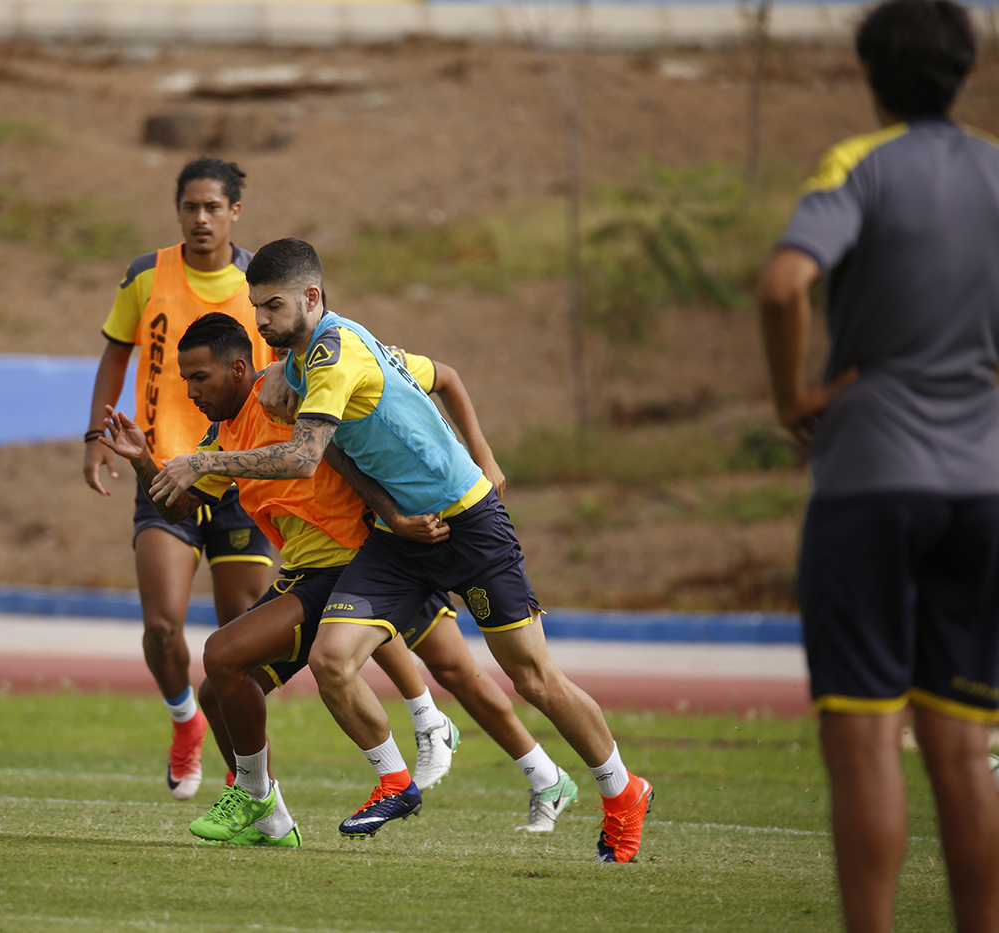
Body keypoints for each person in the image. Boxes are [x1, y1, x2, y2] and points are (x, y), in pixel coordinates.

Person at [150, 239, 651, 859]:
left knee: (532, 678)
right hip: (399, 539)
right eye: (256, 308)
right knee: (334, 660)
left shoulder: (336, 354)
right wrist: (388, 509)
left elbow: (306, 456)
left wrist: (484, 457)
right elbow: (342, 450)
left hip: (467, 522)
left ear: (312, 297)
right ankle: (396, 781)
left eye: (272, 307)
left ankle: (620, 790)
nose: (261, 322)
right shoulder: (302, 361)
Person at [102, 312, 580, 845]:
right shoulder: (224, 435)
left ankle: (493, 754)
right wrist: (144, 461)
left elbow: (430, 384)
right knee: (221, 689)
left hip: (373, 557)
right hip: (325, 572)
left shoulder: (305, 384)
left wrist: (475, 461)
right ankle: (274, 811)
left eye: (199, 379)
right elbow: (180, 507)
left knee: (457, 668)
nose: (190, 392)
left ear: (239, 368)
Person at [756, 2, 999, 928]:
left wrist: (793, 399)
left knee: (864, 742)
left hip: (872, 481)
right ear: (965, 70)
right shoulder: (995, 169)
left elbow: (785, 284)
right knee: (963, 750)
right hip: (982, 487)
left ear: (870, 75)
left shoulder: (857, 165)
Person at [82, 158, 276, 802]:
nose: (200, 218)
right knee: (163, 627)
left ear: (235, 212)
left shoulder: (259, 284)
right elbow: (116, 352)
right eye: (190, 206)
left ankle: (244, 775)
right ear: (177, 211)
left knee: (238, 644)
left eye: (213, 207)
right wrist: (95, 435)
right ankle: (185, 720)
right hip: (161, 473)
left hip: (240, 480)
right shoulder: (146, 275)